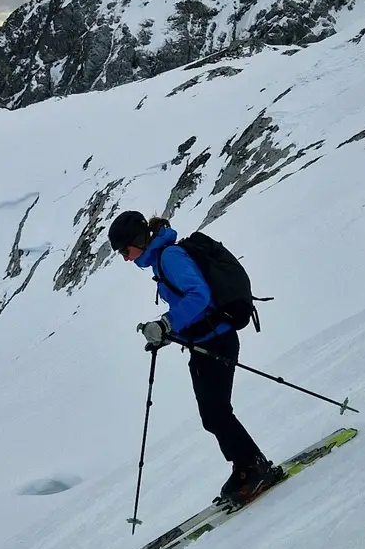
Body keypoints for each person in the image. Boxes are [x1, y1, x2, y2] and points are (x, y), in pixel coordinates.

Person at [108, 210, 281, 504]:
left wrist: (166, 323)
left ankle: (252, 468)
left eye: (125, 250)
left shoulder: (169, 257)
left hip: (216, 341)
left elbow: (198, 295)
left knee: (215, 414)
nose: (126, 257)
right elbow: (193, 306)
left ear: (138, 239)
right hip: (206, 341)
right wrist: (166, 332)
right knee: (214, 414)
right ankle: (248, 465)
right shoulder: (163, 259)